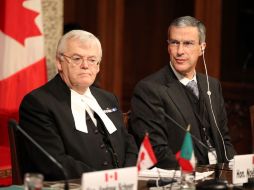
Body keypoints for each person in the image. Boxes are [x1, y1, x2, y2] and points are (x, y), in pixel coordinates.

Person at [19, 30, 138, 180]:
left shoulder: (107, 99)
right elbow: (53, 162)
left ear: (98, 66)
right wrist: (105, 181)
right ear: (59, 62)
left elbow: (129, 143)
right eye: (77, 58)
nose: (85, 65)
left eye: (92, 60)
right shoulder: (38, 103)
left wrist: (125, 177)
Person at [130, 16, 236, 169]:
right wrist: (193, 173)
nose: (180, 51)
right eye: (174, 43)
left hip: (218, 175)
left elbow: (224, 139)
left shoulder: (212, 85)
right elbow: (156, 150)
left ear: (202, 47)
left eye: (188, 43)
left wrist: (234, 169)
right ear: (168, 47)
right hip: (183, 176)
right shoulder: (149, 89)